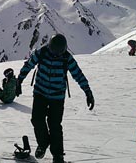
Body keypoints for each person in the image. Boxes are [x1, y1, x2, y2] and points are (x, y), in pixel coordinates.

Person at [16, 34, 94, 163]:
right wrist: (19, 81)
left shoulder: (66, 58)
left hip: (57, 97)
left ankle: (58, 156)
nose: (56, 55)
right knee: (37, 120)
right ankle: (43, 144)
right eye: (53, 51)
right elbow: (29, 65)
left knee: (55, 126)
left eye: (59, 52)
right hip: (40, 93)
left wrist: (88, 92)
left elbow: (78, 74)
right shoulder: (41, 52)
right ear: (49, 47)